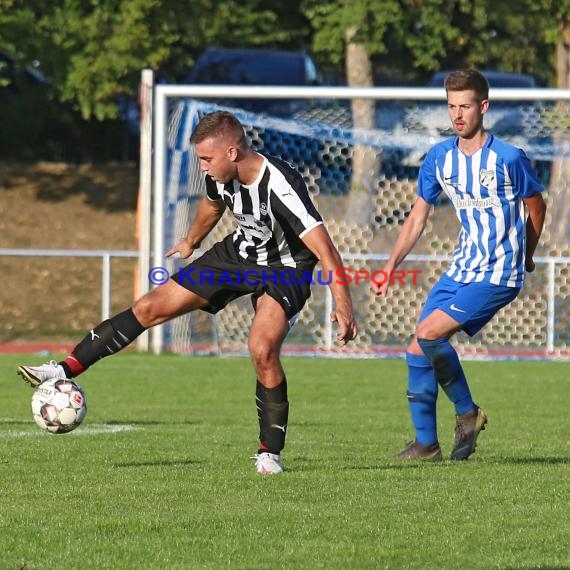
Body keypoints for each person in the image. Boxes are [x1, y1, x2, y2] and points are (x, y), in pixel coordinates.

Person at [18, 110, 357, 474]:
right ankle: (63, 370)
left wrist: (343, 303)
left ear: (232, 153)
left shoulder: (280, 186)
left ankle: (269, 452)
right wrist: (191, 241)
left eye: (207, 159)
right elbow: (211, 205)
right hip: (237, 254)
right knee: (150, 307)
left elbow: (326, 251)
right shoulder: (221, 175)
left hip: (286, 269)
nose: (203, 167)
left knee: (262, 347)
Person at [373, 69, 547, 461]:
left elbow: (537, 207)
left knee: (430, 331)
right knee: (417, 349)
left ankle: (467, 413)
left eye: (465, 106)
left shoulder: (508, 158)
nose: (457, 114)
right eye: (451, 106)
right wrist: (390, 264)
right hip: (461, 269)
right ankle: (426, 444)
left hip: (499, 272)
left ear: (483, 107)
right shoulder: (439, 159)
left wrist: (528, 254)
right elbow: (417, 218)